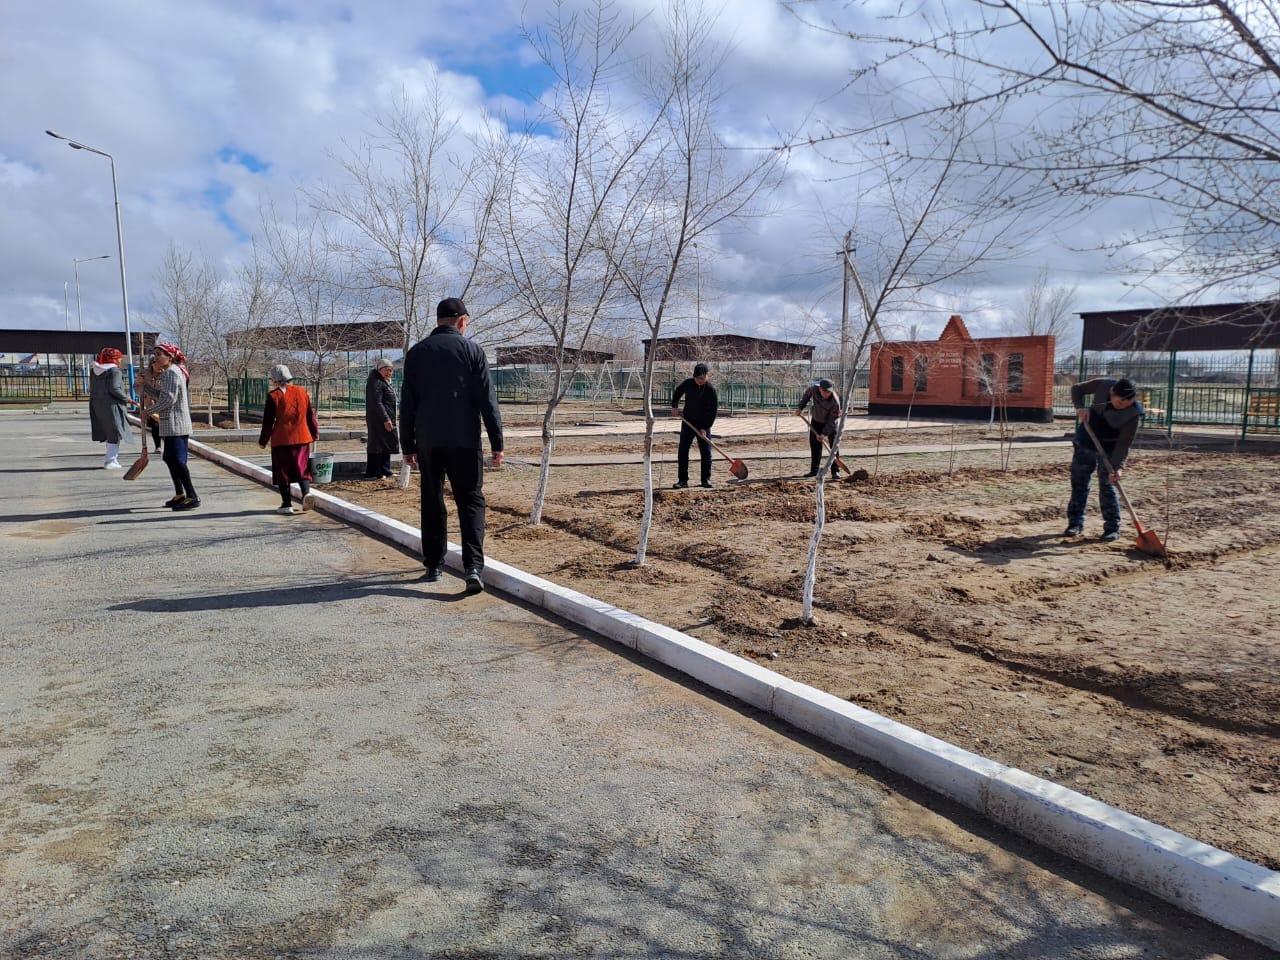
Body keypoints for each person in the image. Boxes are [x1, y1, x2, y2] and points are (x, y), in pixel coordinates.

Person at [400, 297, 504, 593]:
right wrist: (497, 442)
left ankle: (434, 564)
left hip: (429, 441)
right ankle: (473, 567)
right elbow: (487, 400)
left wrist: (407, 445)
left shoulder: (417, 353)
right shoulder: (473, 351)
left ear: (438, 321)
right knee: (470, 501)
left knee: (432, 500)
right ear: (461, 321)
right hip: (465, 441)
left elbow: (407, 403)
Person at [1065, 376, 1144, 541]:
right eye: (1120, 402)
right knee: (1079, 483)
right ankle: (1075, 523)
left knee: (1108, 485)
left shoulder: (1133, 414)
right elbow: (1077, 389)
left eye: (1127, 404)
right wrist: (1080, 408)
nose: (1123, 407)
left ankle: (1112, 528)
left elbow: (1124, 444)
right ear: (1112, 392)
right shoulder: (1104, 385)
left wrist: (1118, 467)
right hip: (1086, 440)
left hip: (1110, 448)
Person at [258, 364, 319, 515]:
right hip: (303, 438)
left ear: (275, 380)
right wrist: (314, 433)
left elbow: (268, 422)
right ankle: (306, 493)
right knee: (302, 468)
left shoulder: (274, 396)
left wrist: (263, 441)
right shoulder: (302, 392)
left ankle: (286, 504)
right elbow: (310, 415)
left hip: (282, 439)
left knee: (283, 471)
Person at [145, 343, 199, 510]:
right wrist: (145, 387)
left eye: (159, 354)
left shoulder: (171, 373)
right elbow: (163, 395)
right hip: (171, 424)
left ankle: (192, 496)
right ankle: (180, 494)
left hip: (176, 424)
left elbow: (168, 400)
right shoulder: (171, 372)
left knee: (177, 460)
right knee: (169, 458)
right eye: (155, 354)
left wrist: (148, 411)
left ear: (169, 357)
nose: (155, 357)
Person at [669, 362, 718, 489]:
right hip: (688, 422)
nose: (700, 380)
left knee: (706, 452)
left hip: (703, 425)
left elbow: (713, 412)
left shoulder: (710, 390)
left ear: (706, 376)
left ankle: (705, 479)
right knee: (683, 451)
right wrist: (674, 406)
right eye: (697, 378)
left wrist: (705, 428)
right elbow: (678, 392)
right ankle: (682, 480)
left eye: (702, 378)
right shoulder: (688, 384)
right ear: (694, 377)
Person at [88, 347, 132, 469]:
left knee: (109, 431)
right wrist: (127, 399)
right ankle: (110, 460)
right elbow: (115, 389)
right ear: (114, 359)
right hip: (112, 406)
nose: (120, 360)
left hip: (97, 404)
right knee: (115, 432)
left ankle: (112, 459)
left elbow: (91, 388)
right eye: (119, 358)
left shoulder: (94, 371)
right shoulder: (114, 371)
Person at [796, 378, 842, 478]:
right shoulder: (813, 389)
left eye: (829, 392)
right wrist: (800, 407)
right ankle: (814, 470)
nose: (827, 394)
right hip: (816, 421)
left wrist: (824, 433)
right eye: (825, 391)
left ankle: (835, 471)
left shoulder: (835, 402)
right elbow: (806, 395)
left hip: (830, 424)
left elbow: (832, 420)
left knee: (834, 446)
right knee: (815, 445)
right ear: (820, 389)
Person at [364, 358, 399, 479]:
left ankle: (385, 470)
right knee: (377, 445)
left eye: (391, 370)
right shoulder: (376, 382)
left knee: (386, 443)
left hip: (385, 417)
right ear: (379, 369)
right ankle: (373, 472)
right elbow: (377, 402)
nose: (389, 373)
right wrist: (386, 419)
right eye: (387, 370)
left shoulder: (383, 381)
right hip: (378, 419)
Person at [137, 355, 164, 453]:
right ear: (152, 364)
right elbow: (137, 387)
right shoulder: (145, 374)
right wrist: (141, 388)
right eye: (156, 363)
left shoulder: (166, 374)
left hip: (163, 403)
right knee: (155, 425)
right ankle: (158, 446)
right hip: (150, 403)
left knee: (164, 425)